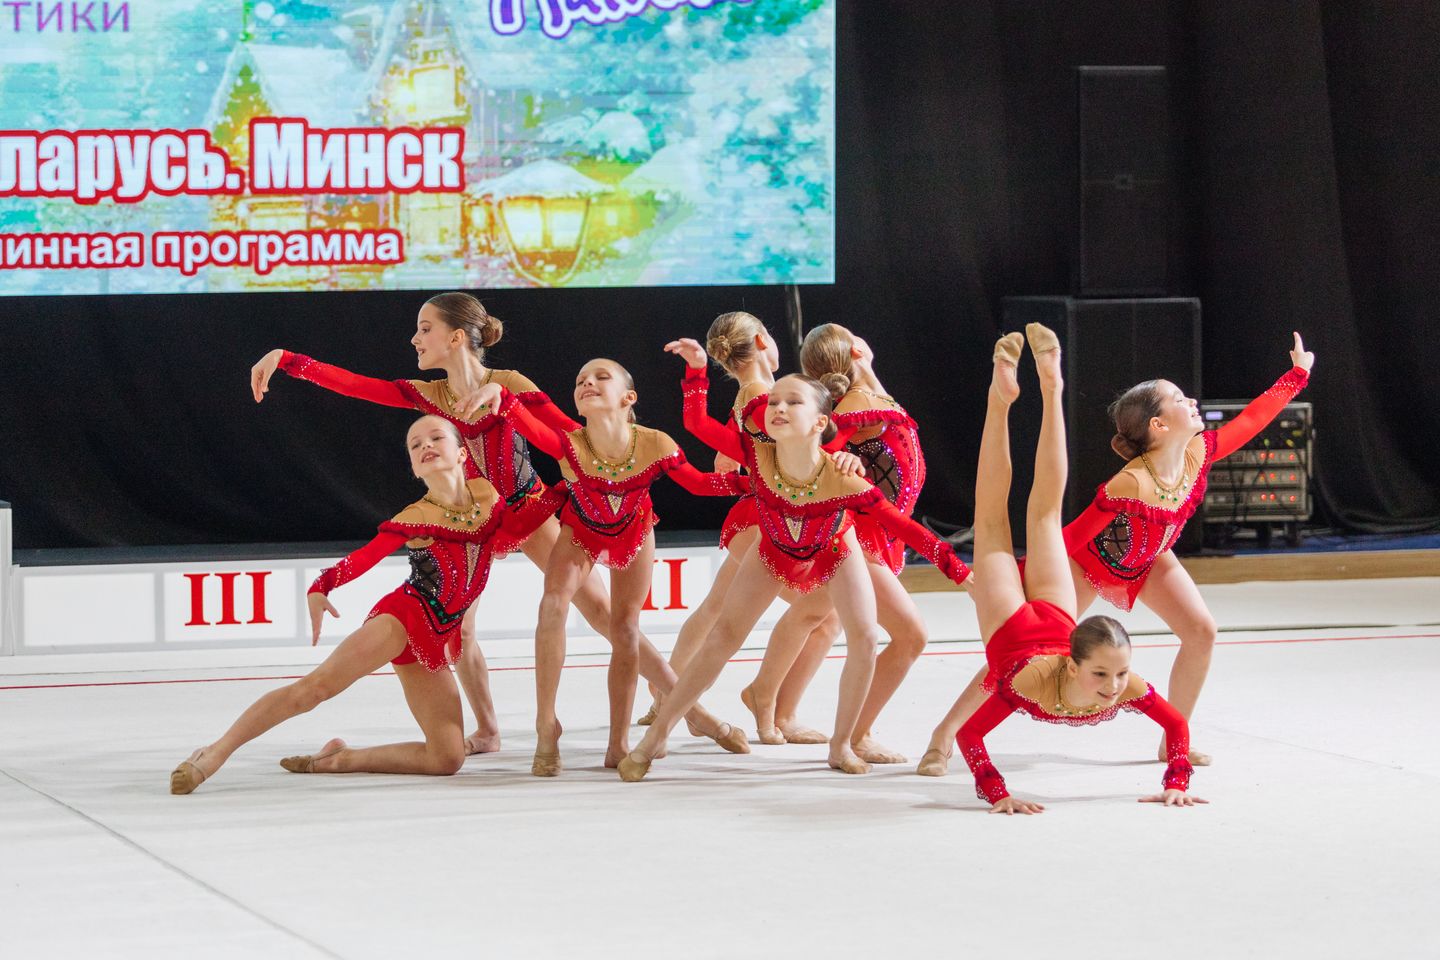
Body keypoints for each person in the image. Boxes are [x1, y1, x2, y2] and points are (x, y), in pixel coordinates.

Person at [249, 292, 671, 756]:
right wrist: (288, 360)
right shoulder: (431, 394)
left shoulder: (508, 382)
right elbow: (357, 385)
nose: (415, 339)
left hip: (528, 508)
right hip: (475, 520)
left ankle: (678, 698)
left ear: (455, 337)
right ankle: (488, 730)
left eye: (424, 329)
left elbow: (571, 436)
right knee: (462, 630)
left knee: (601, 612)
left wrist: (620, 474)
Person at [919, 332, 1313, 775]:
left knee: (1202, 631)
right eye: (1179, 399)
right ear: (1158, 425)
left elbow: (1253, 420)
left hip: (1151, 558)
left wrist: (1296, 375)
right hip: (1090, 563)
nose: (1192, 401)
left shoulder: (1199, 452)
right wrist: (1021, 578)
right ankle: (945, 734)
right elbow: (1071, 535)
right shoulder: (1130, 482)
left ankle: (1174, 739)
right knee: (1021, 653)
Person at [170, 416, 552, 795]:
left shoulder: (487, 496)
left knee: (447, 758)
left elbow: (517, 527)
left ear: (462, 453)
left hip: (435, 639)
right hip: (401, 621)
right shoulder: (416, 516)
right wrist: (322, 585)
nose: (426, 445)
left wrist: (568, 491)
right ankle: (213, 753)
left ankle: (339, 759)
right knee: (315, 689)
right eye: (415, 445)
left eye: (436, 437)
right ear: (415, 468)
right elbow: (365, 557)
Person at [616, 374, 973, 781]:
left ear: (821, 422)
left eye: (793, 402)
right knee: (723, 635)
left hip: (835, 550)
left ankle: (842, 744)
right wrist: (696, 373)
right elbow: (699, 432)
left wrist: (959, 571)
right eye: (774, 402)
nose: (778, 408)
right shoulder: (756, 455)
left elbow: (905, 527)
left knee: (864, 636)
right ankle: (656, 735)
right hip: (774, 549)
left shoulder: (842, 476)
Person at [951, 325, 1202, 813]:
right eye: (1103, 674)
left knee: (1034, 513)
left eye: (1119, 673)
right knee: (1007, 514)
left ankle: (1043, 389)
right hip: (1025, 621)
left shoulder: (1124, 683)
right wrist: (998, 794)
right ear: (1072, 663)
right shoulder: (1030, 683)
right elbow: (971, 735)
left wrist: (1176, 781)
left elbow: (1176, 724)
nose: (1113, 687)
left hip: (1039, 620)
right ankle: (1015, 396)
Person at [472, 360, 751, 774]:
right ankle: (546, 724)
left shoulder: (654, 443)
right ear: (577, 404)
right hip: (581, 530)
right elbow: (528, 423)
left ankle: (618, 743)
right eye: (580, 380)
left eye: (601, 377)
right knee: (552, 604)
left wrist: (755, 483)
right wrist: (502, 397)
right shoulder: (570, 443)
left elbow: (696, 483)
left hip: (634, 530)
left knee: (625, 629)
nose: (588, 382)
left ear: (628, 397)